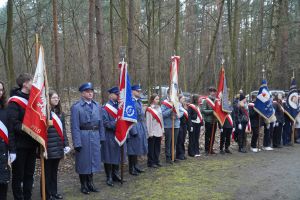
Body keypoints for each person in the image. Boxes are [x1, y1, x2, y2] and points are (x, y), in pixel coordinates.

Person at [71, 82, 105, 195]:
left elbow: (101, 124)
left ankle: (91, 183)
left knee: (93, 161)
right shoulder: (76, 107)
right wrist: (77, 143)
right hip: (83, 136)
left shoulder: (97, 106)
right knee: (83, 162)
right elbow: (74, 126)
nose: (90, 93)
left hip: (95, 136)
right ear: (82, 93)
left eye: (91, 91)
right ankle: (83, 185)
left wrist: (102, 137)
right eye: (87, 91)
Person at [7, 73, 38, 200]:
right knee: (18, 175)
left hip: (32, 143)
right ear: (24, 83)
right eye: (31, 81)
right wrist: (29, 129)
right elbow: (14, 124)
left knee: (29, 174)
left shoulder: (34, 98)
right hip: (19, 145)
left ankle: (28, 197)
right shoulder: (14, 101)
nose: (33, 84)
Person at [45, 91, 70, 200]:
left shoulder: (60, 113)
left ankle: (54, 192)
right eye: (54, 98)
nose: (56, 99)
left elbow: (63, 130)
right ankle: (47, 194)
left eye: (57, 97)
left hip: (58, 146)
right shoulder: (44, 112)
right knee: (47, 173)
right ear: (48, 99)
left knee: (54, 172)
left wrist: (66, 144)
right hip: (48, 147)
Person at [101, 87, 123, 186]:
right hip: (109, 134)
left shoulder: (120, 106)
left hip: (118, 135)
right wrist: (117, 123)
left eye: (118, 94)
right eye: (116, 94)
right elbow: (106, 123)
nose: (118, 96)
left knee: (117, 155)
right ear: (110, 95)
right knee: (108, 156)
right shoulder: (105, 107)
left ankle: (115, 174)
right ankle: (109, 177)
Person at [127, 85, 148, 175]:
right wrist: (133, 131)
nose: (139, 93)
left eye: (140, 91)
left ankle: (136, 165)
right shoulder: (130, 102)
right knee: (132, 148)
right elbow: (129, 117)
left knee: (137, 147)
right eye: (138, 91)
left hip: (140, 125)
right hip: (134, 126)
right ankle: (131, 168)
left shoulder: (139, 101)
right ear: (132, 91)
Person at [161, 89, 183, 164]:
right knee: (168, 141)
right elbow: (162, 114)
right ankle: (168, 157)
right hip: (168, 125)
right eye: (171, 93)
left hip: (176, 124)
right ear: (168, 94)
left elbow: (181, 112)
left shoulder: (177, 102)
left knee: (174, 141)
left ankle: (173, 156)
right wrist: (170, 110)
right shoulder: (164, 103)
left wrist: (176, 116)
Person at [0, 81, 14, 200]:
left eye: (0, 90)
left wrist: (12, 150)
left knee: (3, 183)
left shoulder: (7, 108)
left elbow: (11, 131)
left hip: (4, 151)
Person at [146, 93, 164, 168]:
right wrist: (149, 132)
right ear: (152, 100)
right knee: (151, 148)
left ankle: (157, 160)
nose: (158, 100)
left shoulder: (159, 108)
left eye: (158, 99)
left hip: (158, 130)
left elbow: (161, 120)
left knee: (157, 147)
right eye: (156, 99)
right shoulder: (149, 109)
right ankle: (151, 162)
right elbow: (148, 122)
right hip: (152, 131)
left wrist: (162, 130)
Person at [201, 87, 217, 155]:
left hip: (215, 120)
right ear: (209, 92)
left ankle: (211, 148)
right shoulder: (206, 101)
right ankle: (207, 149)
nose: (213, 93)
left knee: (213, 136)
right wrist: (212, 111)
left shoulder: (216, 101)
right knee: (207, 136)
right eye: (212, 91)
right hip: (208, 120)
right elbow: (203, 110)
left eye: (214, 91)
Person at [176, 95, 189, 160]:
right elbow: (179, 115)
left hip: (184, 124)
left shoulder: (184, 106)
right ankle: (179, 154)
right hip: (180, 124)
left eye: (184, 99)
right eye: (183, 99)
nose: (184, 100)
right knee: (180, 139)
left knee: (183, 140)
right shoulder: (177, 106)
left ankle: (182, 153)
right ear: (179, 99)